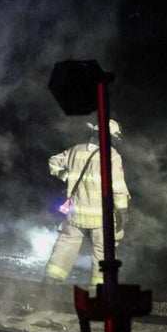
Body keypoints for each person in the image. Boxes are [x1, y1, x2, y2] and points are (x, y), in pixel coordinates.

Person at [44, 119, 130, 286]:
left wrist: (65, 176)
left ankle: (50, 281)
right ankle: (100, 287)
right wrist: (123, 212)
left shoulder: (76, 151)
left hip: (75, 212)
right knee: (104, 250)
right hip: (101, 216)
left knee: (66, 244)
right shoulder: (112, 156)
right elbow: (118, 187)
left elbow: (53, 162)